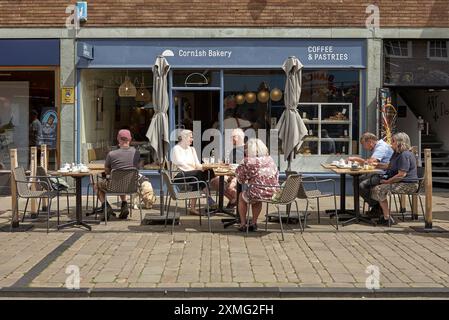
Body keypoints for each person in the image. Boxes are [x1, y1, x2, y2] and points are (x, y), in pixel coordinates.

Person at [370, 132, 418, 226]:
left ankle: (387, 217)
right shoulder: (396, 154)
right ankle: (382, 213)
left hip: (409, 184)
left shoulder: (404, 155)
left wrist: (387, 182)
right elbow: (388, 166)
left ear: (400, 143)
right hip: (400, 182)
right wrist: (375, 165)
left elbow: (401, 175)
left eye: (393, 141)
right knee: (375, 185)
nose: (390, 143)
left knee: (378, 189)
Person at [95, 129, 140, 220]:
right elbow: (137, 166)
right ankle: (124, 204)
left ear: (118, 139)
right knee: (122, 180)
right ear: (130, 139)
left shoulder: (112, 154)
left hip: (113, 185)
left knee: (96, 185)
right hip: (130, 186)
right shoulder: (136, 153)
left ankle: (106, 207)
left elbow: (107, 171)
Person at [235, 138, 279, 231]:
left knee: (241, 196)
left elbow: (240, 179)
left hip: (258, 191)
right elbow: (276, 175)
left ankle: (243, 223)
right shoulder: (270, 159)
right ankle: (254, 222)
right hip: (273, 192)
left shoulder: (248, 160)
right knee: (257, 197)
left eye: (246, 148)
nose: (245, 150)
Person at [171, 129, 217, 215]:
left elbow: (197, 164)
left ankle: (192, 207)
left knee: (206, 173)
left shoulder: (192, 149)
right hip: (178, 175)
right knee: (198, 174)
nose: (192, 139)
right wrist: (196, 170)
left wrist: (206, 166)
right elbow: (181, 164)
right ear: (184, 138)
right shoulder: (176, 149)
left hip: (192, 175)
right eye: (191, 137)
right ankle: (209, 197)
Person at [348, 132, 394, 217]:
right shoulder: (378, 146)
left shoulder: (381, 147)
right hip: (379, 173)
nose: (364, 147)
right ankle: (376, 207)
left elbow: (371, 162)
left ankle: (377, 208)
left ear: (370, 141)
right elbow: (371, 164)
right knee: (356, 182)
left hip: (385, 175)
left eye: (363, 144)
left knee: (361, 185)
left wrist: (357, 159)